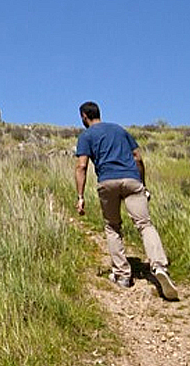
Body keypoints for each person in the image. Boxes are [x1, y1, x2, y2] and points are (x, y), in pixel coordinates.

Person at [74, 101, 178, 300]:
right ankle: (159, 266)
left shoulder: (86, 136)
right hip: (132, 180)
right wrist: (143, 184)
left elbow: (82, 166)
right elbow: (138, 157)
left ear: (84, 117)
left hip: (108, 182)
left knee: (113, 227)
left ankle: (122, 275)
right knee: (145, 224)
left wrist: (80, 196)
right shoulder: (120, 130)